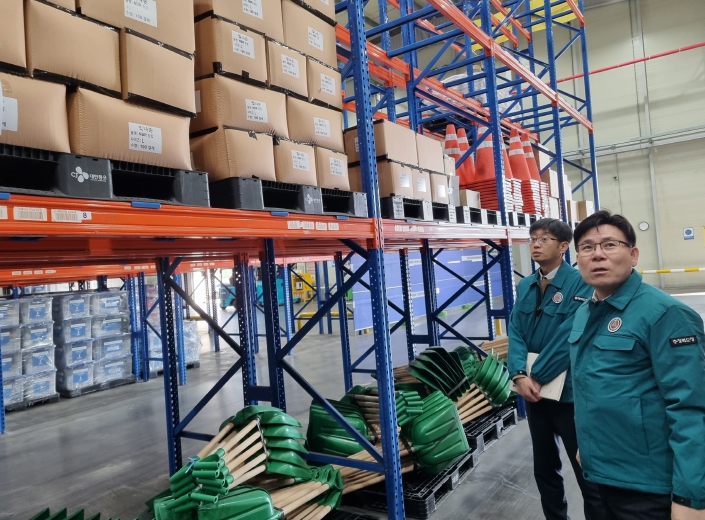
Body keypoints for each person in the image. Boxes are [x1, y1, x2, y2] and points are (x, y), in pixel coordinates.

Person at [570, 210, 705, 520]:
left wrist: (691, 496)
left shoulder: (665, 314)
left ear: (633, 255)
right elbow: (592, 388)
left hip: (649, 488)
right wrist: (587, 445)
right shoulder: (586, 312)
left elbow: (691, 408)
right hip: (600, 475)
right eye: (587, 247)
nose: (597, 255)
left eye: (609, 244)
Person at [508, 218, 604, 520]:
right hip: (534, 394)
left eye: (544, 239)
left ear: (563, 246)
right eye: (532, 239)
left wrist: (536, 375)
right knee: (545, 468)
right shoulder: (526, 285)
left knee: (586, 471)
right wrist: (518, 374)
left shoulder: (581, 283)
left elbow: (570, 334)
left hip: (569, 394)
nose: (536, 244)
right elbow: (516, 331)